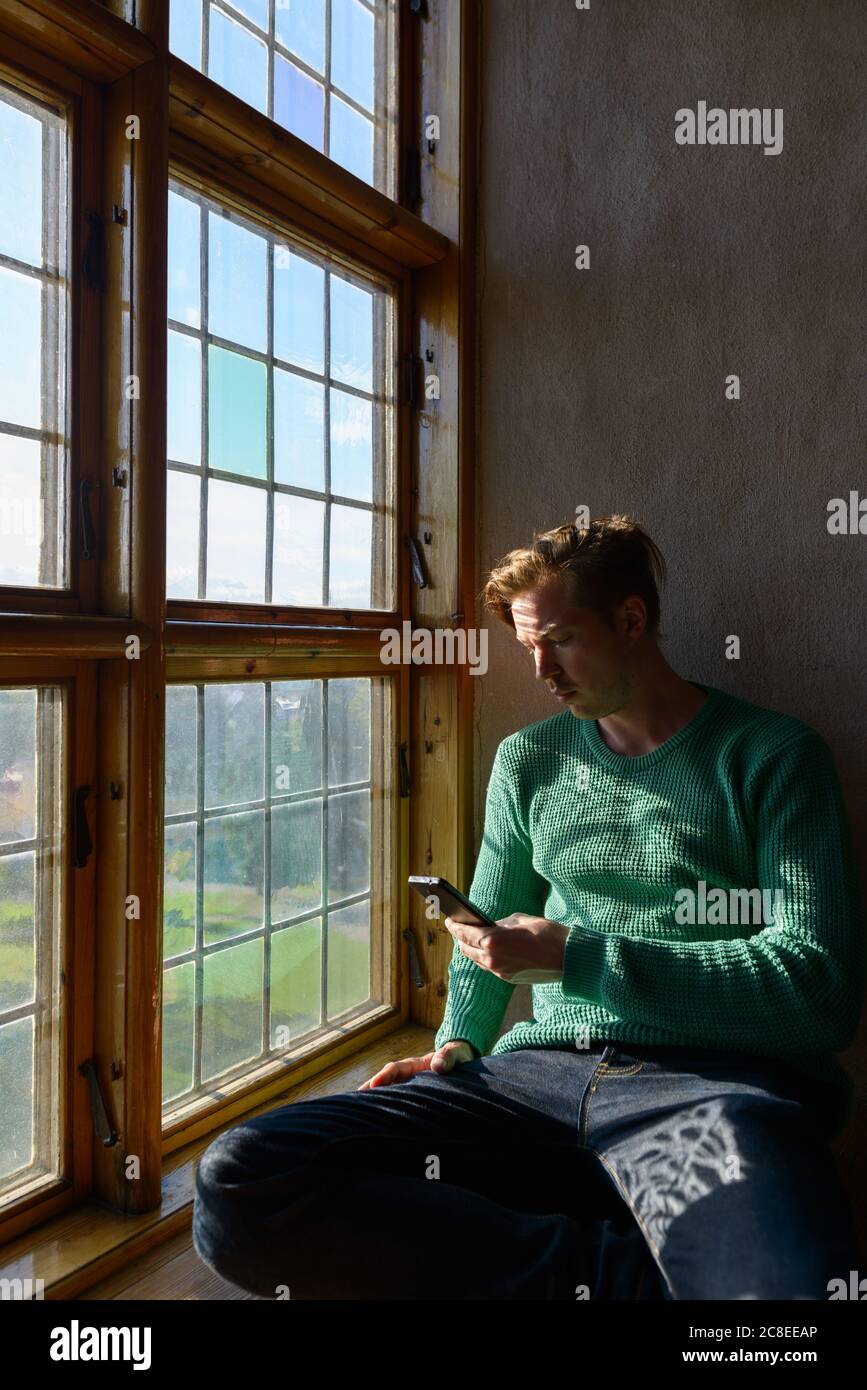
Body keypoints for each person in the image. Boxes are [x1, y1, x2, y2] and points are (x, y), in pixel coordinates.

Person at [192, 514, 866, 1300]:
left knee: (780, 1309)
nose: (541, 668)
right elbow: (487, 923)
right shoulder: (529, 762)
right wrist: (456, 1045)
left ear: (631, 619)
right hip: (532, 1084)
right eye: (526, 647)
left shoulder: (772, 757)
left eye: (559, 640)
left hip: (708, 1093)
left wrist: (578, 956)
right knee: (244, 1180)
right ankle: (624, 1276)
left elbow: (817, 993)